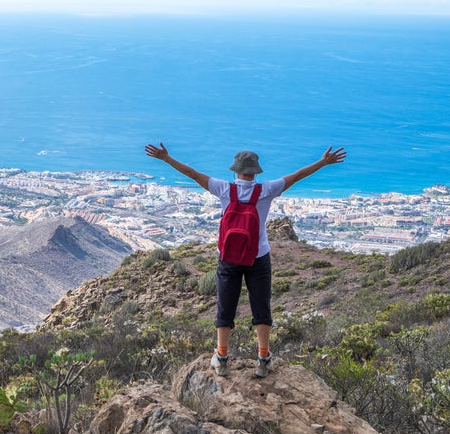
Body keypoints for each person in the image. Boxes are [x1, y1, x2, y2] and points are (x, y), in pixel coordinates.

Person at [145, 142, 346, 378]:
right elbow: (297, 176)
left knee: (225, 306)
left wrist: (166, 158)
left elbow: (192, 173)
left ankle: (221, 358)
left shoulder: (223, 189)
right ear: (255, 172)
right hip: (258, 256)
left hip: (228, 257)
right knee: (261, 306)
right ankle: (263, 358)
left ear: (236, 170)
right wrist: (323, 162)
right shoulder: (267, 191)